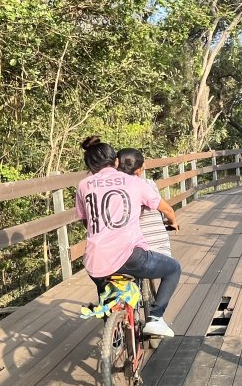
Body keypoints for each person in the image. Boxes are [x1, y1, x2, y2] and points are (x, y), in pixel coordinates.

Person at [76, 135, 182, 337]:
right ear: (115, 162)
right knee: (173, 269)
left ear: (89, 164)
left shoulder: (84, 185)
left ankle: (113, 332)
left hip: (94, 261)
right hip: (130, 256)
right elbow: (164, 208)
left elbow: (86, 221)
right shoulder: (135, 182)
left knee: (105, 291)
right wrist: (172, 222)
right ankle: (156, 318)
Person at [115, 147, 178, 257]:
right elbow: (167, 210)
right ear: (139, 169)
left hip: (122, 250)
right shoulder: (146, 184)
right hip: (154, 246)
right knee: (173, 269)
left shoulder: (109, 188)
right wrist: (173, 222)